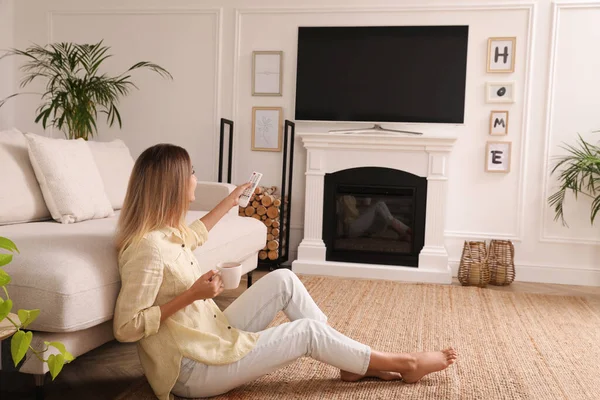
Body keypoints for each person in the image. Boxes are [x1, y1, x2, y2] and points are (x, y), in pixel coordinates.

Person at [113, 144, 457, 400]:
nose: (195, 179)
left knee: (283, 279)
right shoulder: (148, 248)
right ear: (171, 185)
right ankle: (403, 363)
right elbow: (126, 329)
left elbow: (196, 233)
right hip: (192, 369)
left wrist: (231, 200)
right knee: (305, 332)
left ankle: (351, 361)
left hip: (211, 336)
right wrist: (193, 295)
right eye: (190, 173)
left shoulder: (167, 234)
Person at [338, 195, 412, 241]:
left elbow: (359, 211)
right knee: (379, 204)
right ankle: (404, 231)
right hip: (350, 228)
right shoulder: (342, 196)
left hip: (358, 226)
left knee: (383, 215)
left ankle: (405, 232)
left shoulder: (351, 197)